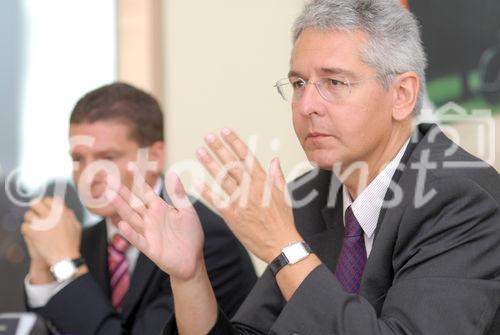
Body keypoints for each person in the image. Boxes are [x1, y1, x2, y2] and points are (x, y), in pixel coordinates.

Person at [110, 0, 500, 334]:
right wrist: (189, 275)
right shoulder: (312, 195)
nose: (306, 105)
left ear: (402, 95)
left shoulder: (462, 198)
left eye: (334, 82)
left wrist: (285, 247)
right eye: (298, 83)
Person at [20, 83, 257, 334]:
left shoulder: (205, 238)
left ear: (154, 156)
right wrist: (42, 269)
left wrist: (67, 266)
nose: (88, 176)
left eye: (107, 158)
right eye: (78, 159)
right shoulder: (85, 241)